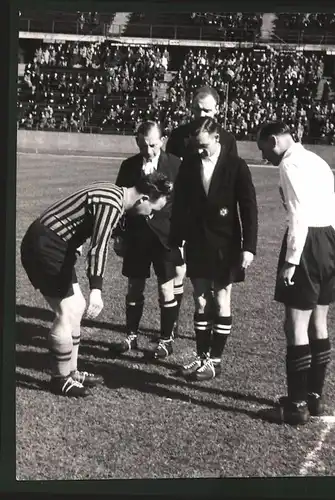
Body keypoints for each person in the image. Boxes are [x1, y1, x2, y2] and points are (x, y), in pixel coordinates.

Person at [20, 173, 172, 398]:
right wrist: (97, 290)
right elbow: (99, 247)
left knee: (77, 306)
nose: (150, 216)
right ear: (143, 199)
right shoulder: (112, 204)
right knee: (67, 310)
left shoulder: (115, 193)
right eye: (153, 210)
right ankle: (60, 379)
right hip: (45, 245)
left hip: (55, 244)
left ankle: (71, 371)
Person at [256, 121, 335, 425]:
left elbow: (298, 213)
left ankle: (296, 405)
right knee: (319, 321)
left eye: (264, 148)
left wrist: (292, 260)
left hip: (307, 244)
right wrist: (331, 246)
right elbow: (333, 210)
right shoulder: (318, 161)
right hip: (329, 239)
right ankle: (313, 397)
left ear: (274, 140)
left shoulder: (290, 165)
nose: (265, 156)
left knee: (295, 325)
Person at [170, 117, 258, 381]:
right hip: (197, 242)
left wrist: (249, 247)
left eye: (204, 145)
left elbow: (249, 207)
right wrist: (175, 243)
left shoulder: (236, 166)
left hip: (226, 243)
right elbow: (179, 206)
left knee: (221, 299)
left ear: (217, 139)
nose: (199, 150)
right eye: (196, 145)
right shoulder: (190, 165)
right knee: (199, 299)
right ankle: (202, 358)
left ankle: (215, 361)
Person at [110, 121, 183, 359]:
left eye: (152, 145)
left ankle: (166, 340)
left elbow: (185, 204)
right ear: (137, 142)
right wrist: (118, 235)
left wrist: (183, 236)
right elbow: (119, 204)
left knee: (166, 289)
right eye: (143, 145)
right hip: (137, 237)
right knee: (134, 287)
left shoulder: (175, 165)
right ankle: (130, 336)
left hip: (165, 237)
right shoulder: (128, 166)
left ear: (161, 141)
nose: (148, 150)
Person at [165, 85, 238, 160]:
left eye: (207, 111)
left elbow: (233, 170)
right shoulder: (177, 136)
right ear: (192, 108)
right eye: (197, 109)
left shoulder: (228, 140)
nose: (201, 115)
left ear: (216, 109)